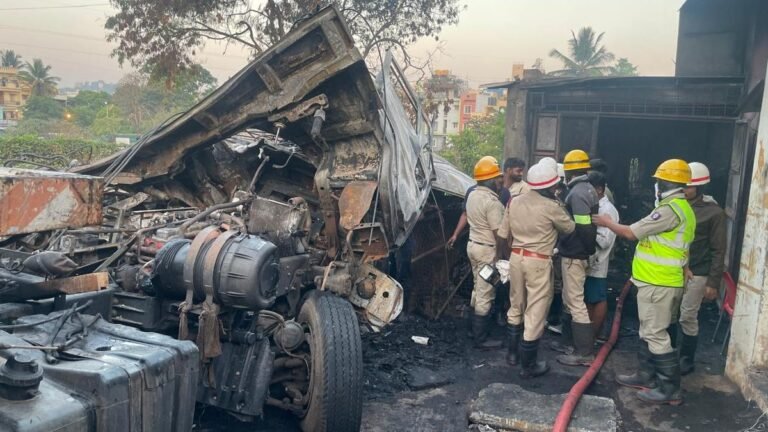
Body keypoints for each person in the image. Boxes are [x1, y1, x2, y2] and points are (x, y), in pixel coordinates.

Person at [594, 158, 696, 405]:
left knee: (655, 333)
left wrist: (607, 223)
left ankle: (670, 388)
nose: (656, 185)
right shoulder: (682, 208)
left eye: (658, 181)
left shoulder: (669, 210)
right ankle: (647, 375)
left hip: (659, 282)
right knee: (649, 330)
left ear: (664, 183)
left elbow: (631, 233)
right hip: (659, 280)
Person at [498, 162, 575, 378]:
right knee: (536, 310)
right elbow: (570, 228)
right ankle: (528, 365)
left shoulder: (514, 201)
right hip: (538, 261)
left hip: (516, 257)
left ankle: (512, 355)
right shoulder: (552, 206)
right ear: (551, 186)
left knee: (516, 305)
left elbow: (503, 234)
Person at [677, 162, 726, 375]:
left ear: (699, 187)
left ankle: (686, 359)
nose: (684, 189)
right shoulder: (676, 206)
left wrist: (713, 283)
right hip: (676, 269)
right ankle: (669, 356)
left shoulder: (714, 213)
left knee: (687, 315)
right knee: (671, 313)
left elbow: (718, 249)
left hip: (698, 272)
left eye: (688, 186)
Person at [553, 149, 600, 367]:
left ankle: (584, 353)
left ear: (569, 171)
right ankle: (570, 344)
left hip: (575, 254)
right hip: (577, 253)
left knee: (575, 302)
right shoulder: (587, 188)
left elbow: (583, 227)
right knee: (570, 299)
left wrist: (586, 251)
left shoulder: (578, 193)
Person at [465, 156, 507, 349]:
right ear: (489, 180)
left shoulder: (472, 195)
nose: (500, 181)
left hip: (473, 247)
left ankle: (472, 329)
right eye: (497, 177)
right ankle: (480, 339)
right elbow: (499, 234)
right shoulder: (493, 203)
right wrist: (501, 256)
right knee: (486, 292)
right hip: (486, 251)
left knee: (477, 287)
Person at [585, 171, 619, 339]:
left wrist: (587, 231)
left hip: (598, 261)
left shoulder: (607, 210)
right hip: (591, 260)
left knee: (596, 299)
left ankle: (592, 336)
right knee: (589, 298)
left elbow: (605, 241)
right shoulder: (596, 206)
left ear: (599, 189)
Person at [447, 168, 510, 249]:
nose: (501, 180)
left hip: (476, 245)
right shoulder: (473, 192)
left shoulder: (505, 192)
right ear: (491, 179)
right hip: (487, 244)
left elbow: (508, 216)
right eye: (498, 177)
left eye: (501, 177)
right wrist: (455, 234)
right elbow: (465, 214)